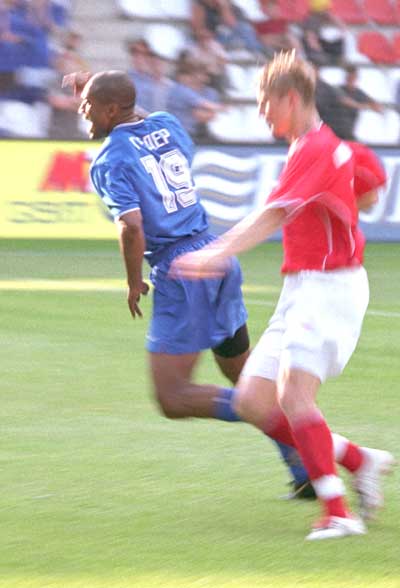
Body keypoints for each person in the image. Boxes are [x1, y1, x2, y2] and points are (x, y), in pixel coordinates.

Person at [171, 51, 395, 540]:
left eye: (265, 103)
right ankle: (359, 460)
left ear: (290, 98)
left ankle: (338, 513)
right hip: (303, 285)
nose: (260, 113)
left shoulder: (316, 149)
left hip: (330, 285)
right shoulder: (324, 148)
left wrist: (215, 253)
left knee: (294, 394)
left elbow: (274, 214)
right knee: (253, 400)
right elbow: (371, 191)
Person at [63, 68, 316, 498]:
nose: (82, 111)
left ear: (111, 109)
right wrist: (95, 87)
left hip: (181, 272)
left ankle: (318, 441)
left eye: (88, 105)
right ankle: (307, 466)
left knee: (174, 397)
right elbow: (137, 115)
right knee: (245, 376)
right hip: (216, 257)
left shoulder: (109, 161)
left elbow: (132, 227)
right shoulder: (167, 124)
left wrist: (133, 281)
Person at [333, 64, 384, 141]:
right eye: (349, 77)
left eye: (353, 77)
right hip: (336, 127)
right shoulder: (338, 89)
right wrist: (363, 106)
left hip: (349, 130)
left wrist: (374, 106)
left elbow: (376, 105)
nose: (351, 79)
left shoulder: (359, 93)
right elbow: (345, 101)